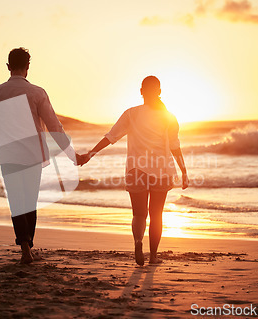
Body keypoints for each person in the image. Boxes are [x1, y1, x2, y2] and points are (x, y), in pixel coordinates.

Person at [0, 47, 81, 264]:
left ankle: (25, 246)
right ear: (28, 67)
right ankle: (28, 247)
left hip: (7, 154)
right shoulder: (37, 93)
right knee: (29, 200)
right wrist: (71, 154)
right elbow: (54, 126)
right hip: (32, 155)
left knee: (16, 201)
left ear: (8, 67)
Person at [79, 76, 189, 265]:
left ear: (141, 91)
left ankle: (138, 242)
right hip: (161, 171)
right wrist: (184, 171)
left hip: (136, 170)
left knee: (139, 214)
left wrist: (91, 153)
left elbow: (111, 137)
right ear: (160, 92)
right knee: (157, 215)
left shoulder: (131, 114)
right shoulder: (169, 117)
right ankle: (153, 256)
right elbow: (174, 146)